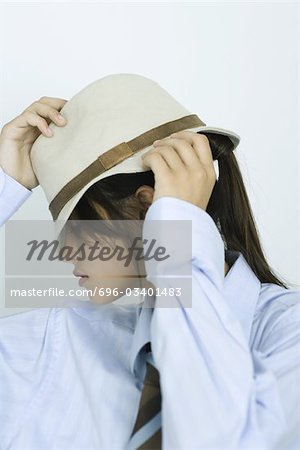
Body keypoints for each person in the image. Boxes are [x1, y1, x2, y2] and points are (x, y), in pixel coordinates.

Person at [0, 75, 300, 450]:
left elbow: (218, 439)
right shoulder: (58, 340)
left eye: (76, 226)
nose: (63, 252)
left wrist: (177, 235)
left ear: (149, 205)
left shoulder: (288, 334)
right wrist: (3, 184)